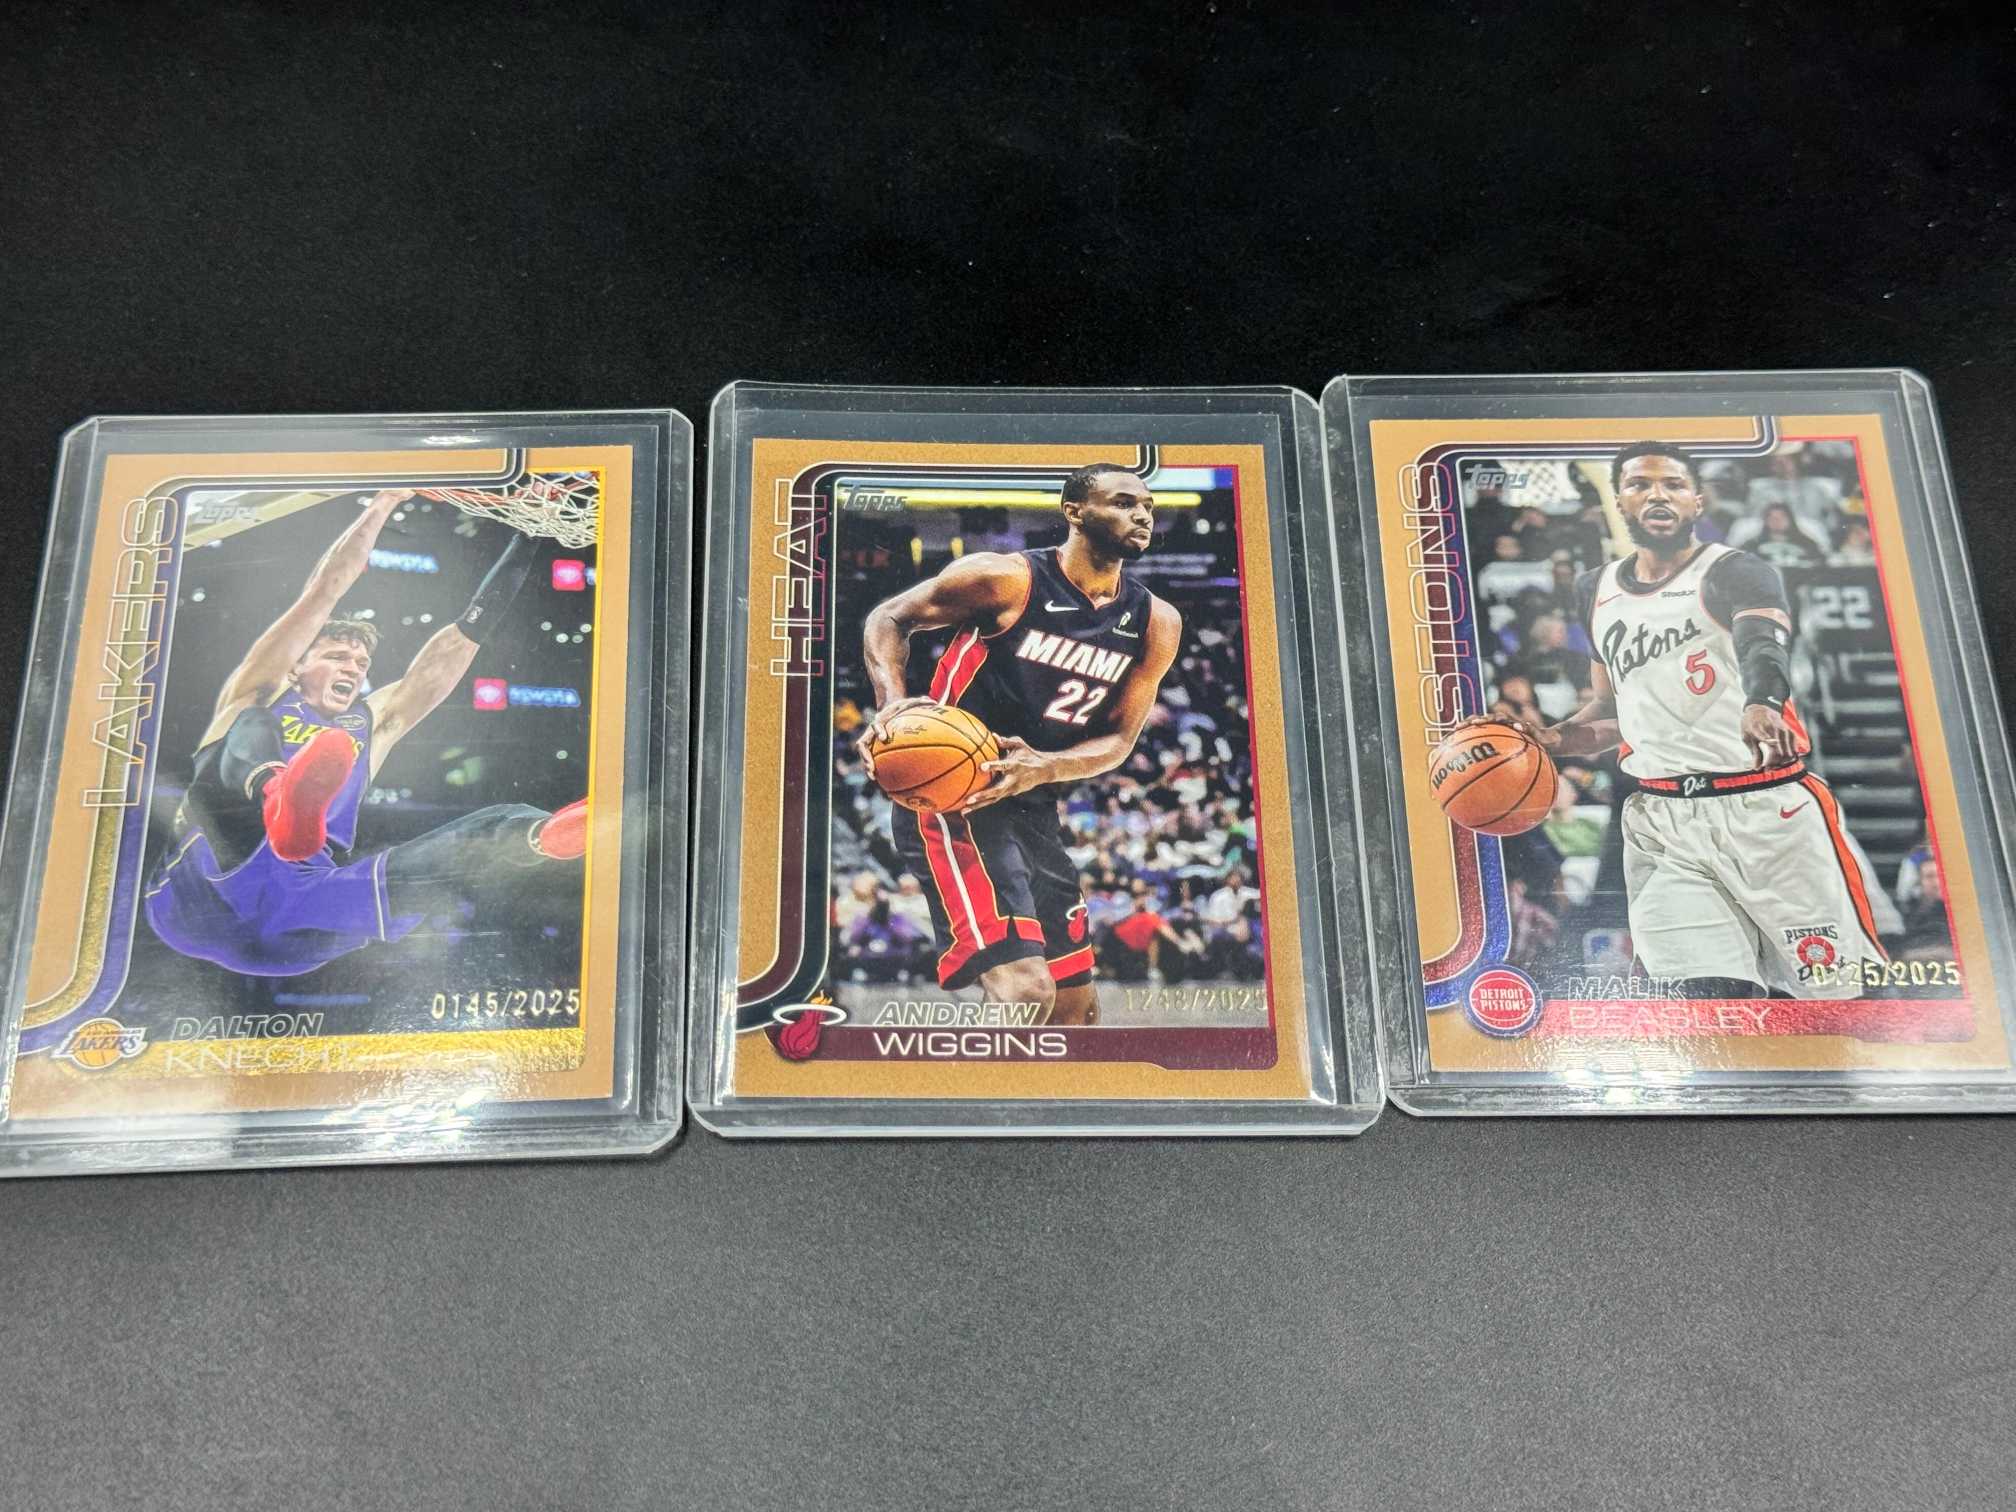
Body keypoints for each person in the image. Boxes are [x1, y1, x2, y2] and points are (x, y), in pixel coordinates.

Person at [1460, 442, 1886, 999]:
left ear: (1697, 500)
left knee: (1834, 997)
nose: (1657, 495)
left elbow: (1763, 643)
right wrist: (1551, 738)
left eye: (1673, 484)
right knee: (1699, 997)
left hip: (1763, 808)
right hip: (1663, 820)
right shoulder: (1595, 589)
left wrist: (1761, 702)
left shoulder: (1736, 570)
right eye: (1640, 484)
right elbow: (1612, 712)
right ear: (1619, 500)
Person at [144, 490, 585, 977]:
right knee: (253, 722)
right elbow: (324, 591)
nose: (353, 667)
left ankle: (552, 835)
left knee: (482, 832)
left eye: (361, 662)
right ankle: (277, 794)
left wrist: (529, 535)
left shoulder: (372, 723)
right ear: (296, 667)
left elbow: (463, 638)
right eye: (337, 656)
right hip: (202, 894)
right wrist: (384, 502)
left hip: (302, 912)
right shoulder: (259, 691)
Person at [856, 462, 1183, 1025]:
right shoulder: (1004, 579)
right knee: (1026, 992)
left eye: (1148, 506)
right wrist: (892, 704)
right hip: (956, 800)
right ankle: (964, 1085)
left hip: (1034, 805)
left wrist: (1046, 766)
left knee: (1075, 1013)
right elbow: (890, 618)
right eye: (1124, 502)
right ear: (1074, 512)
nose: (1142, 515)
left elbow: (1118, 740)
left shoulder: (1157, 621)